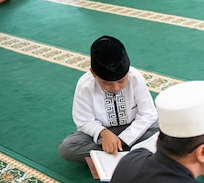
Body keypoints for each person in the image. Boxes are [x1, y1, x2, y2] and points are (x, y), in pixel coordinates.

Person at [58, 35, 158, 163]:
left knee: (167, 128)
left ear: (127, 71)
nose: (115, 88)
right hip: (103, 135)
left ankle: (110, 157)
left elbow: (148, 114)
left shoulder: (135, 78)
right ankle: (134, 155)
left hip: (135, 128)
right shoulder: (85, 85)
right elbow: (84, 121)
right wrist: (103, 133)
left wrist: (123, 140)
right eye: (107, 83)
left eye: (121, 81)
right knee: (67, 148)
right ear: (93, 74)